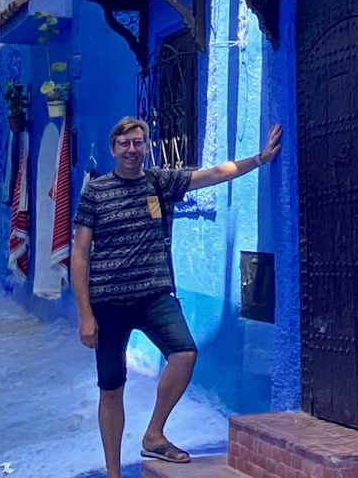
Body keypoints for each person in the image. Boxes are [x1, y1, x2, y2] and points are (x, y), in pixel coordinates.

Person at [72, 116, 282, 472]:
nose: (131, 149)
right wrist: (85, 315)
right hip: (108, 302)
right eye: (124, 144)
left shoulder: (160, 183)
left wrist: (260, 158)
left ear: (146, 147)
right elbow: (79, 254)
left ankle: (154, 434)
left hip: (154, 295)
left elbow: (215, 173)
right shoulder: (96, 191)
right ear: (113, 149)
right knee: (111, 388)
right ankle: (113, 471)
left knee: (184, 354)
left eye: (138, 143)